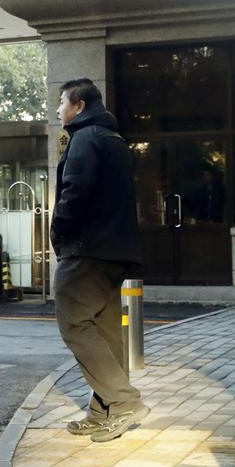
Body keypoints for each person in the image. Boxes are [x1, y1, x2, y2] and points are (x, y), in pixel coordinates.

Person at [51, 78, 149, 442]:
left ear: (78, 105)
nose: (58, 110)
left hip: (87, 250)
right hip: (116, 253)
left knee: (74, 323)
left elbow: (74, 193)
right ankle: (102, 411)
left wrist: (59, 231)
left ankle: (123, 402)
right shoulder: (114, 139)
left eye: (62, 103)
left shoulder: (85, 137)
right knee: (107, 332)